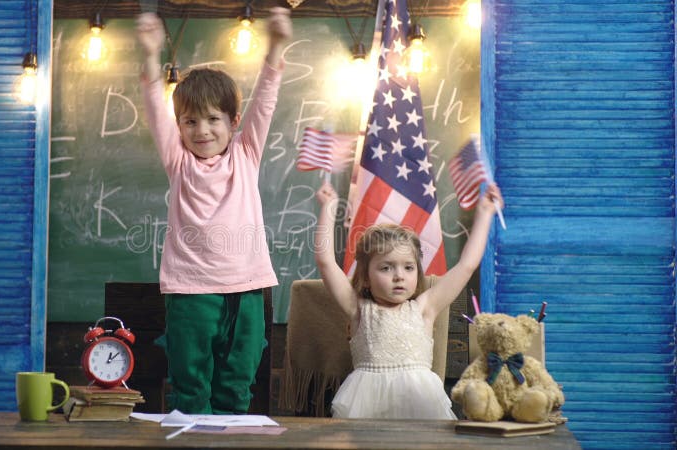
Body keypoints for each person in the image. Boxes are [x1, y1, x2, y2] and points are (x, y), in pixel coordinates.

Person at [135, 8, 292, 414]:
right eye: (189, 122)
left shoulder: (245, 153)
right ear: (179, 125)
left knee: (237, 383)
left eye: (212, 120)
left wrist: (276, 45)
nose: (201, 131)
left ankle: (232, 437)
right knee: (191, 386)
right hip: (191, 291)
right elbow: (155, 106)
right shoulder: (179, 161)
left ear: (233, 122)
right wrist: (151, 55)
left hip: (247, 289)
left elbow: (266, 98)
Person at [313, 181, 504, 419]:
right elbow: (326, 262)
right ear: (365, 278)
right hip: (365, 405)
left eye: (408, 267)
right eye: (386, 268)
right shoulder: (359, 310)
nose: (399, 276)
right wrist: (328, 208)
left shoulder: (425, 308)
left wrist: (485, 213)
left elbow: (467, 265)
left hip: (421, 405)